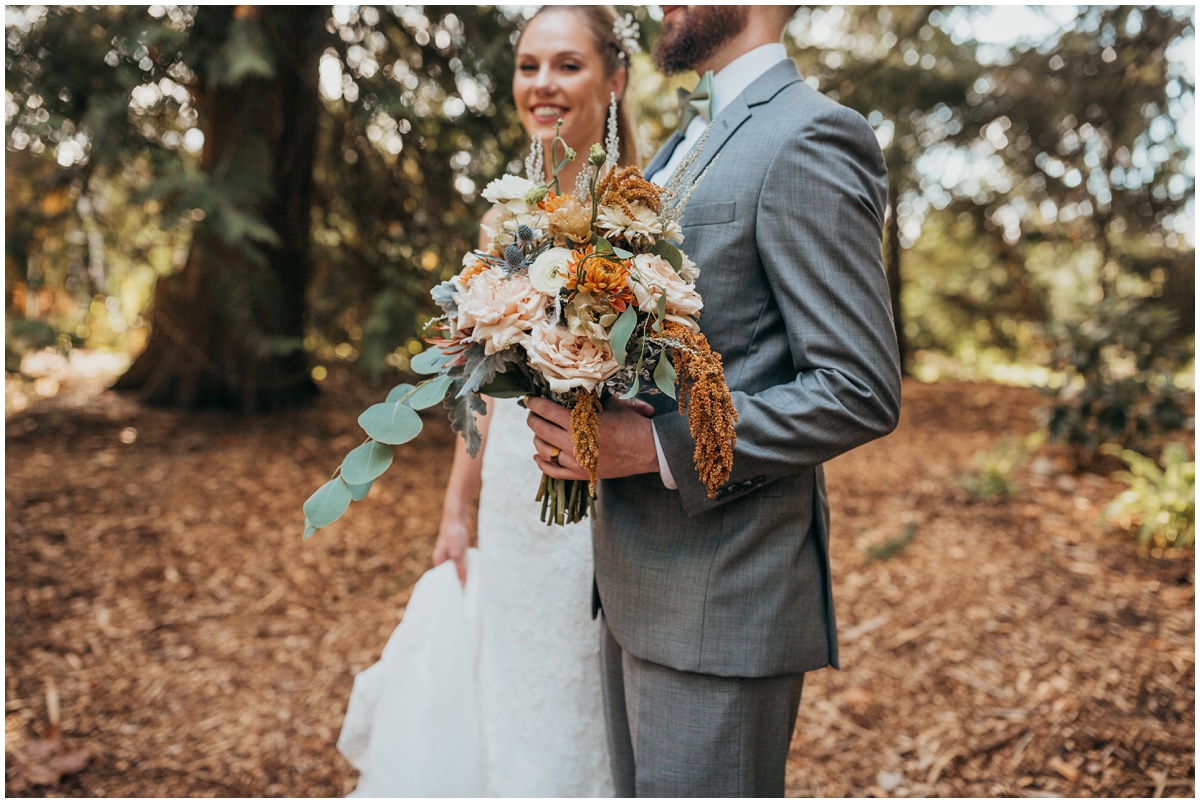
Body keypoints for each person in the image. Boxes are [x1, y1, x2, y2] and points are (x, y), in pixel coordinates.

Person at [526, 4, 903, 797]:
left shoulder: (812, 134)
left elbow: (857, 387)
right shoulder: (687, 135)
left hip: (722, 600)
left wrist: (657, 446)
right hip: (634, 585)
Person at [336, 6, 639, 797]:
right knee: (509, 684)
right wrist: (455, 509)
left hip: (605, 496)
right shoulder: (503, 218)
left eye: (567, 65)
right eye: (529, 65)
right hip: (513, 494)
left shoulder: (644, 217)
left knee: (581, 690)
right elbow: (482, 390)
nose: (543, 84)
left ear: (615, 78)